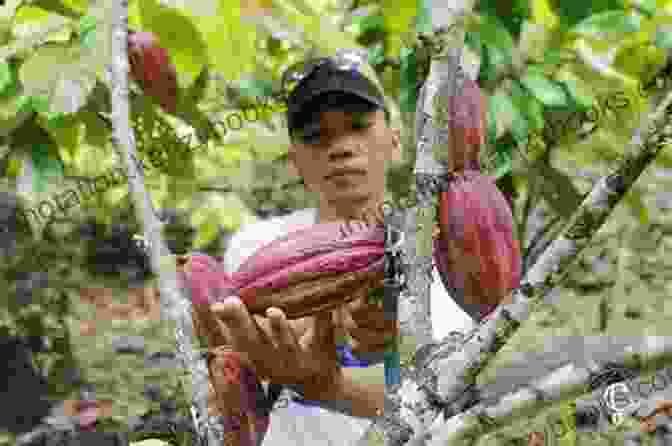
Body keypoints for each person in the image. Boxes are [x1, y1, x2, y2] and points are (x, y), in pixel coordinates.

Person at [202, 50, 508, 445]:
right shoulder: (258, 245)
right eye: (316, 136)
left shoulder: (445, 251)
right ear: (294, 160)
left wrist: (330, 385)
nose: (341, 147)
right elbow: (233, 371)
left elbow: (448, 390)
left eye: (358, 126)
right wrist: (325, 321)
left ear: (395, 141)